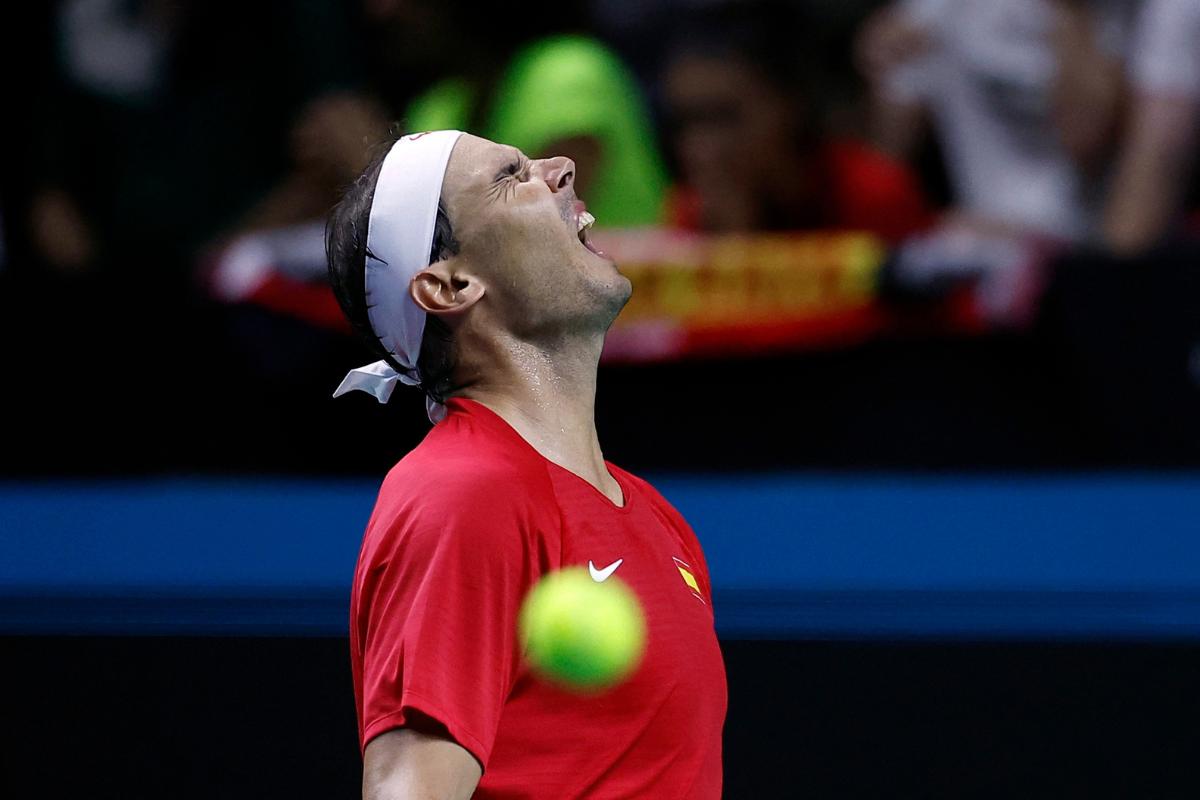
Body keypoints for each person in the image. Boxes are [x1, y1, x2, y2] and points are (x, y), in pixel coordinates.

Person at [326, 131, 727, 799]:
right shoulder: (459, 493)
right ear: (450, 285)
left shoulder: (661, 520)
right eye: (511, 176)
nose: (563, 167)